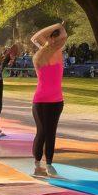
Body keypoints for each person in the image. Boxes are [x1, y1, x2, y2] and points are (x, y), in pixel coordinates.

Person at [30, 22, 67, 178]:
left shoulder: (58, 53)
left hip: (56, 101)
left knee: (50, 132)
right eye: (52, 38)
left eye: (56, 38)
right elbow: (35, 38)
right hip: (40, 100)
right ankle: (38, 165)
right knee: (42, 132)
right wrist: (57, 25)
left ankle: (49, 164)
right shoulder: (39, 56)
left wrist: (56, 30)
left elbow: (63, 36)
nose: (55, 41)